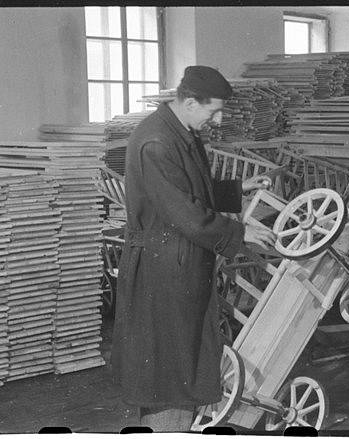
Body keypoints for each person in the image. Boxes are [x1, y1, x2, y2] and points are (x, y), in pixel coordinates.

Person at [111, 65, 277, 431]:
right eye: (212, 110)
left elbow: (190, 190)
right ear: (188, 101)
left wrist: (236, 189)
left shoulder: (178, 131)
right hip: (164, 265)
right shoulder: (156, 141)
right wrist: (238, 233)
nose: (217, 120)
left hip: (177, 258)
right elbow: (184, 212)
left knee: (178, 361)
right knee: (172, 369)